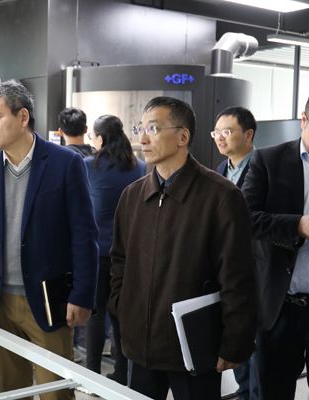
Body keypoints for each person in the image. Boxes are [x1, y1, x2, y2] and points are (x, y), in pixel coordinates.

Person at [108, 97, 257, 400]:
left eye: (153, 128)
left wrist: (234, 342)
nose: (143, 138)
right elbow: (120, 261)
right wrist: (121, 307)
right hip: (139, 344)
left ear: (183, 136)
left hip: (194, 348)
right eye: (140, 129)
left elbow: (237, 276)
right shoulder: (132, 196)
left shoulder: (221, 197)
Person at [0, 80, 98, 400]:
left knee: (56, 392)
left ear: (23, 117)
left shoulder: (65, 163)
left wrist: (82, 296)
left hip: (50, 301)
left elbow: (84, 234)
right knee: (11, 391)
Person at [241, 97, 309, 400]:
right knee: (272, 392)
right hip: (280, 306)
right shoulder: (269, 160)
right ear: (304, 120)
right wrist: (298, 225)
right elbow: (245, 218)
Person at [84, 115, 146, 385]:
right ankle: (122, 374)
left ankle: (91, 374)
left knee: (95, 314)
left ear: (100, 138)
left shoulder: (88, 165)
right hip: (128, 254)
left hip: (97, 251)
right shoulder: (140, 166)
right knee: (121, 313)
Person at [212, 106, 258, 400]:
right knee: (234, 331)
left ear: (248, 134)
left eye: (227, 132)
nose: (220, 137)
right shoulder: (220, 170)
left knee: (254, 338)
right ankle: (243, 390)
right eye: (216, 132)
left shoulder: (265, 167)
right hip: (226, 265)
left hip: (255, 266)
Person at [58, 106, 94, 363]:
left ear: (61, 131)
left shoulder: (61, 161)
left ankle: (72, 348)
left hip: (66, 244)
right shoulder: (99, 158)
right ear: (86, 130)